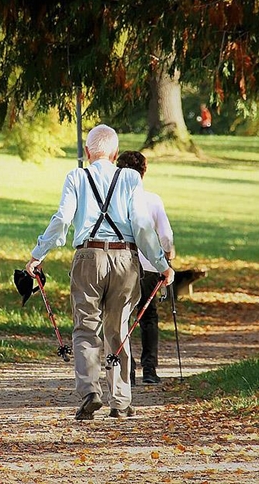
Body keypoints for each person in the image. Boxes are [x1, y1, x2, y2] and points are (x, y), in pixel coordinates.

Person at [25, 124, 175, 420]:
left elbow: (62, 219)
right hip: (125, 259)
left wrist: (37, 255)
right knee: (118, 329)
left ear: (87, 153)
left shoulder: (76, 177)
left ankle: (90, 392)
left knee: (85, 327)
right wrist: (162, 264)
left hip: (88, 257)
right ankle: (121, 401)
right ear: (115, 153)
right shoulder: (131, 178)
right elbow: (143, 227)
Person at [116, 151, 174, 386]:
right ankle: (149, 369)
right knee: (148, 317)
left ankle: (126, 371)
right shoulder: (152, 199)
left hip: (123, 264)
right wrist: (168, 255)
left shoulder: (115, 200)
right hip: (150, 265)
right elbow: (166, 235)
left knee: (123, 316)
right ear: (144, 172)